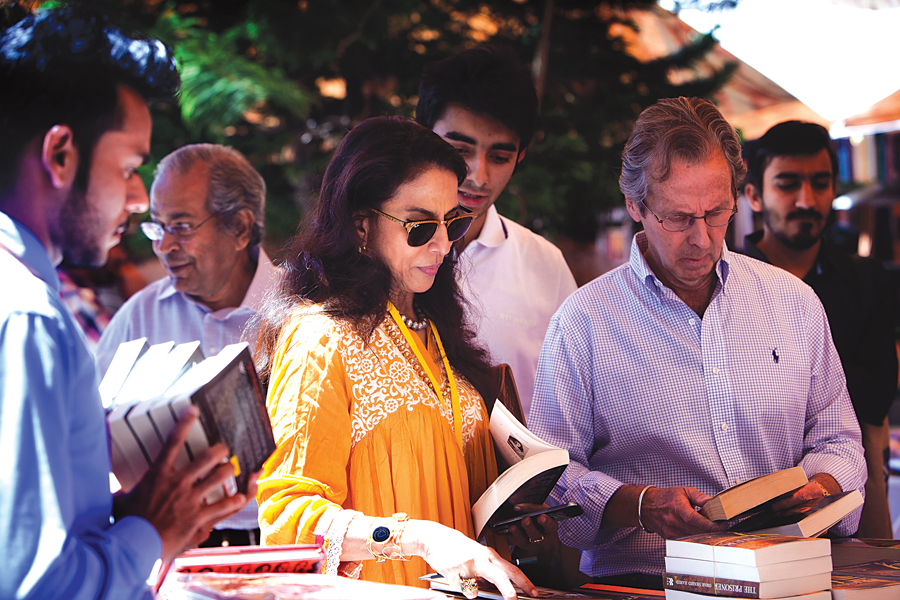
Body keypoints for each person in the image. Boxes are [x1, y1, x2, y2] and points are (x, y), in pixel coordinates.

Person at [529, 97, 866, 585]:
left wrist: (821, 486)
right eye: (678, 218)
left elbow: (839, 439)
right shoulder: (583, 324)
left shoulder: (794, 303)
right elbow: (553, 482)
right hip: (645, 584)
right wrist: (640, 506)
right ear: (635, 205)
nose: (702, 239)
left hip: (785, 578)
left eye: (716, 213)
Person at [0, 7, 258, 600]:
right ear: (61, 154)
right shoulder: (27, 318)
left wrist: (127, 517)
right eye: (129, 167)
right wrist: (150, 532)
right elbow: (39, 585)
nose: (139, 199)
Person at [253, 116, 535, 600]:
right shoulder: (321, 339)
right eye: (421, 225)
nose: (444, 245)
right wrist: (421, 538)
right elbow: (286, 520)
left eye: (454, 222)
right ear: (361, 225)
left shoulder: (435, 331)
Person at [96, 143, 278, 545]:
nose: (163, 246)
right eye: (157, 227)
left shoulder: (301, 311)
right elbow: (91, 428)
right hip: (176, 546)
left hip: (281, 538)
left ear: (241, 228)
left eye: (180, 226)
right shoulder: (140, 316)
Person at [742, 120, 898, 538]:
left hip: (854, 478)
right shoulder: (727, 282)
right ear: (754, 194)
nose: (806, 200)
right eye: (787, 184)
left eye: (820, 183)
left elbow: (877, 390)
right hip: (750, 487)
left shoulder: (869, 280)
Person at [415, 45, 577, 417]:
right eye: (459, 149)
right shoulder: (379, 251)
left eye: (500, 157)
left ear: (520, 156)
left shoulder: (545, 266)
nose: (478, 175)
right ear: (421, 136)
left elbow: (573, 406)